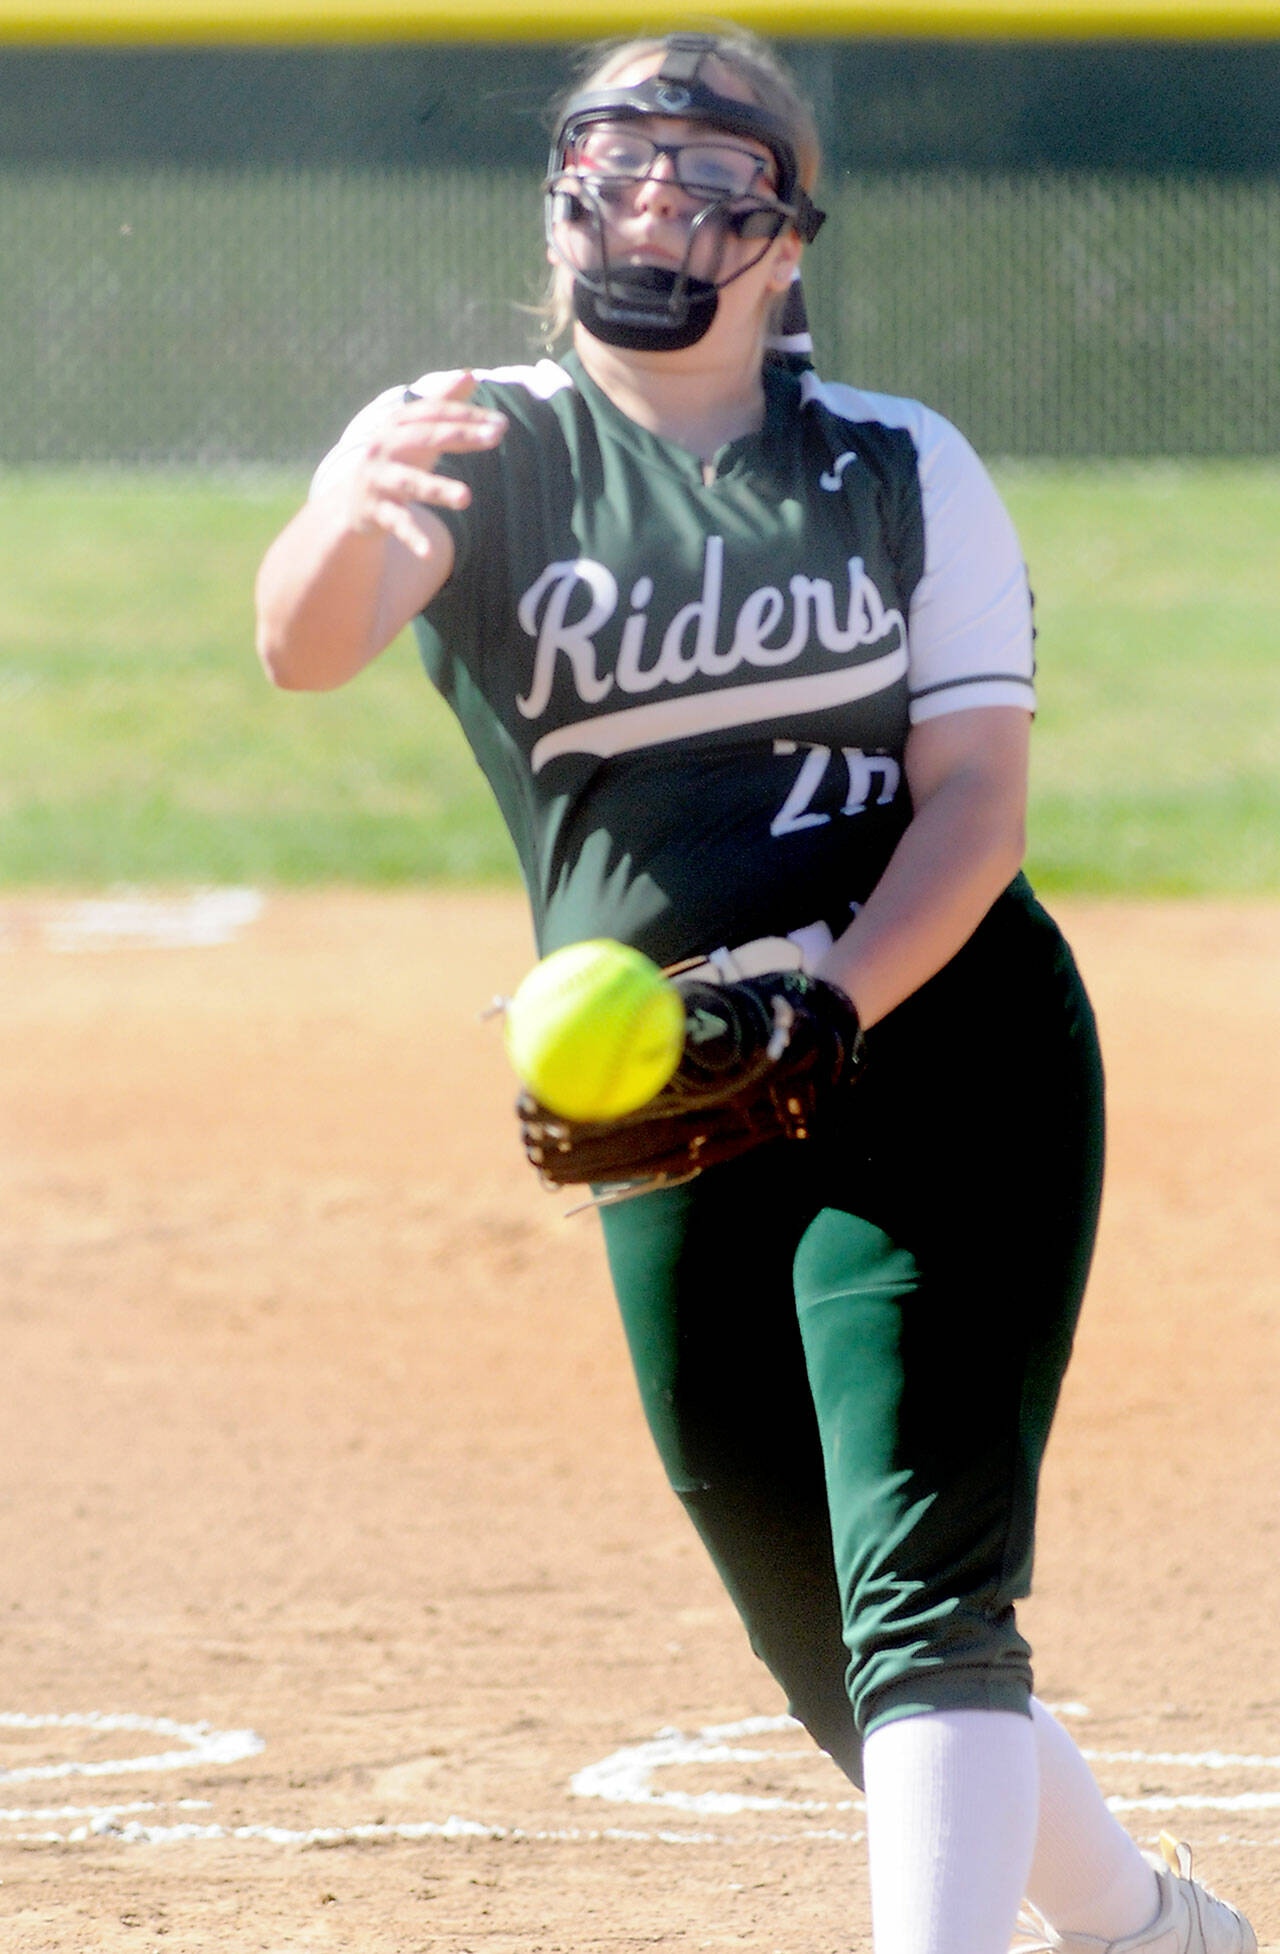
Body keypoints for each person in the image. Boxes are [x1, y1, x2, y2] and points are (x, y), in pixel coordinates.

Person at [254, 29, 1258, 1954]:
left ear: (784, 239)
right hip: (667, 1091)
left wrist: (840, 993)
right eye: (616, 173)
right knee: (830, 1654)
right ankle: (1156, 1931)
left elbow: (978, 803)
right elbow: (309, 651)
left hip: (942, 1036)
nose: (655, 214)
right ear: (558, 201)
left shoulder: (898, 461)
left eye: (708, 184)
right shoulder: (463, 437)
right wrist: (340, 513)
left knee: (927, 1597)